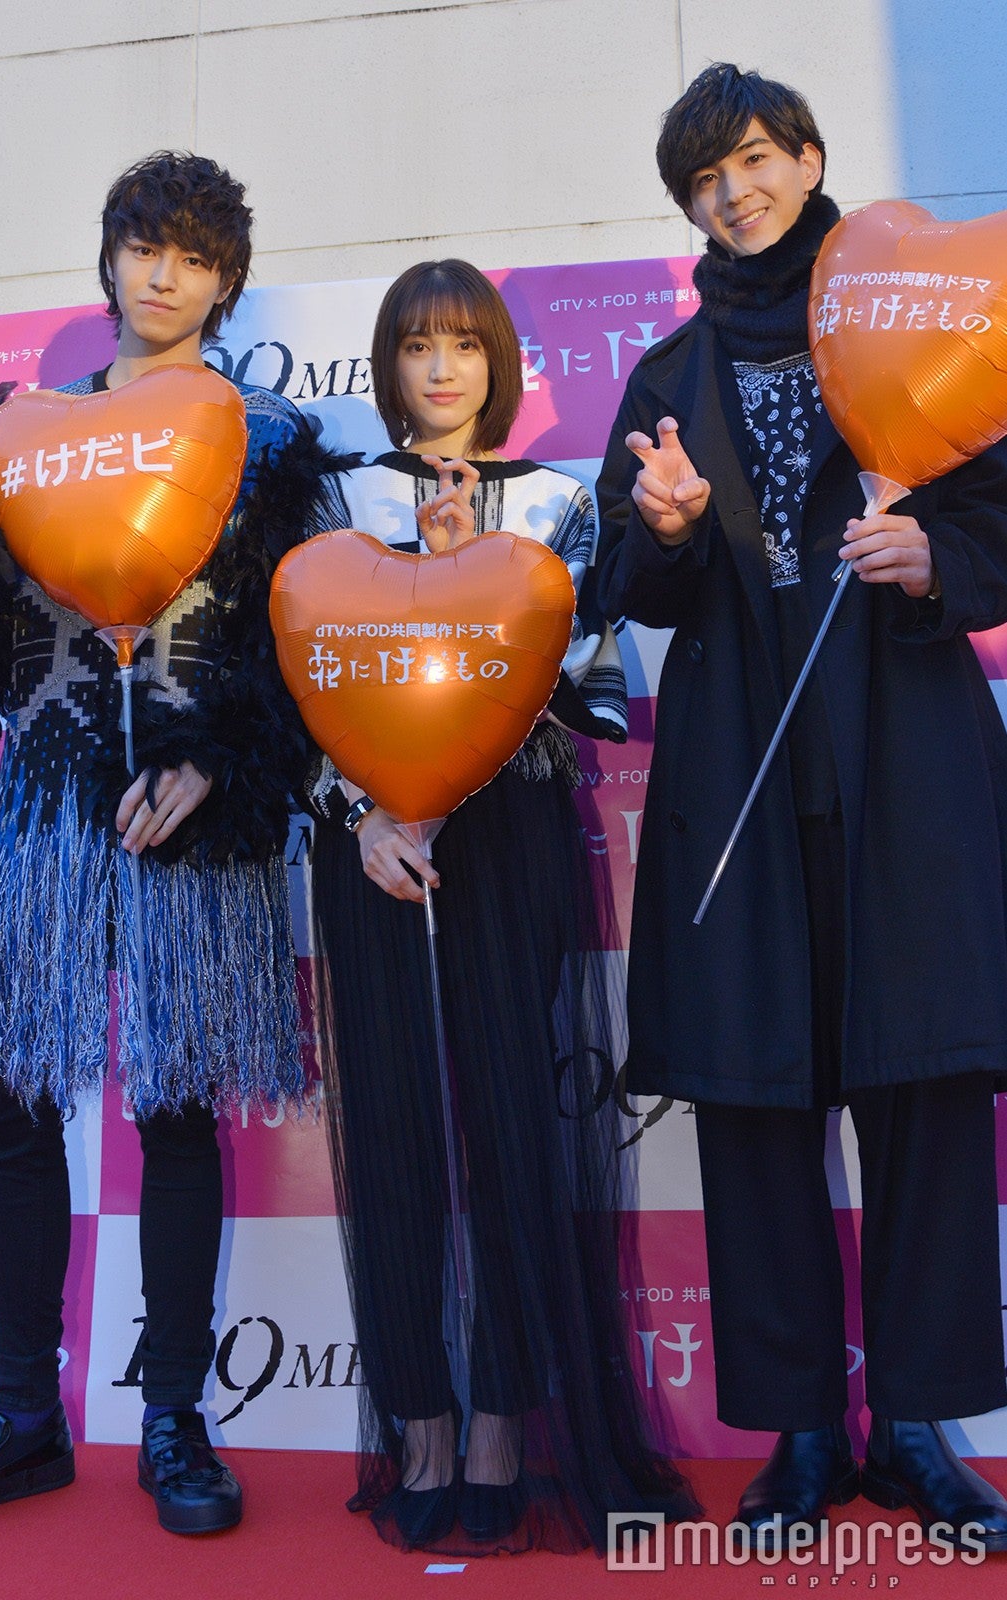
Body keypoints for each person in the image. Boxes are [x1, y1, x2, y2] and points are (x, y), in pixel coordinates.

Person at [597, 62, 1007, 1551]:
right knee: (756, 1109)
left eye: (756, 159)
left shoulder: (912, 309)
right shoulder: (666, 377)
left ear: (809, 159)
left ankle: (921, 1425)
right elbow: (626, 584)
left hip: (907, 762)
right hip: (737, 783)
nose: (736, 193)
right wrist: (663, 530)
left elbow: (998, 515)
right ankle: (798, 1430)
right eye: (705, 179)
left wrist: (941, 563)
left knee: (923, 1097)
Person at [0, 151, 349, 1533]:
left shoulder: (271, 437)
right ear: (108, 259)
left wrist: (218, 759)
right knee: (6, 1094)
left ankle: (174, 1417)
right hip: (47, 787)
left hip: (194, 801)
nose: (163, 273)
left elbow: (305, 636)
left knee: (173, 1104)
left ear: (226, 281)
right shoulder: (29, 427)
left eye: (193, 254)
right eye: (143, 245)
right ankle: (24, 1415)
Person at [298, 259, 695, 1554]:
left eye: (464, 343)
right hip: (371, 846)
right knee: (396, 1125)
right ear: (387, 364)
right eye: (417, 344)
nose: (441, 368)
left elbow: (577, 685)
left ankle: (504, 1424)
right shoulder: (335, 497)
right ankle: (416, 1419)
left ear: (498, 362)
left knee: (514, 1125)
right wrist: (363, 812)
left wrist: (467, 579)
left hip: (507, 828)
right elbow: (299, 678)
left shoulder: (557, 501)